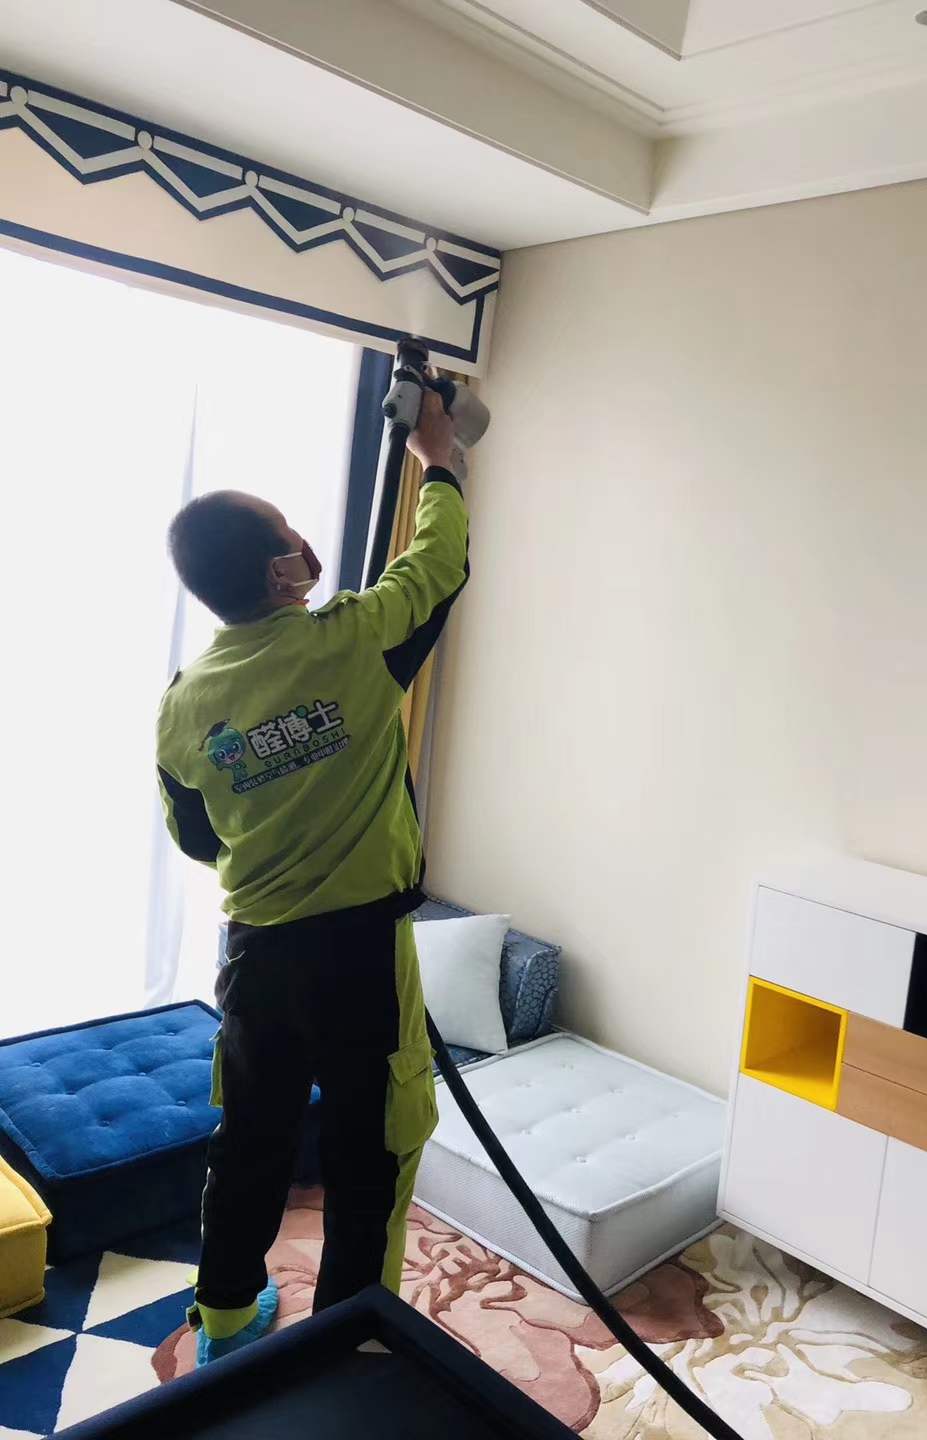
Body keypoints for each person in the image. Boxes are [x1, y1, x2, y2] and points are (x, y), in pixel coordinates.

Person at [156, 388, 467, 1366]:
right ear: (284, 569)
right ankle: (347, 1342)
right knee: (373, 1148)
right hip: (361, 954)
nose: (303, 538)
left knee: (251, 1140)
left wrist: (276, 809)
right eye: (289, 531)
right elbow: (440, 567)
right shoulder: (354, 640)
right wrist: (440, 458)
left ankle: (224, 1322)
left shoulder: (183, 703)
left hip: (256, 959)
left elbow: (195, 838)